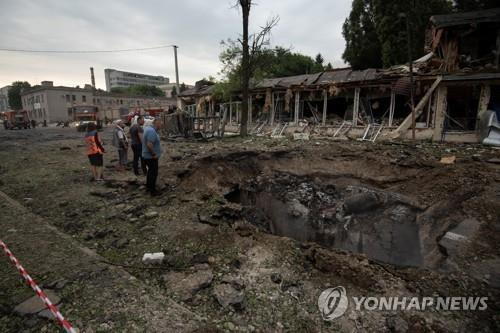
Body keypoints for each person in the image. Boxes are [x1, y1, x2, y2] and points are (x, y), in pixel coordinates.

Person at [142, 118, 162, 195]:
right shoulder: (151, 131)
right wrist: (154, 155)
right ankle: (153, 191)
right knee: (153, 173)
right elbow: (149, 145)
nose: (161, 125)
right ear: (156, 123)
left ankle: (148, 188)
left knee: (150, 172)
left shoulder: (148, 129)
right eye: (160, 123)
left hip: (147, 156)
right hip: (150, 157)